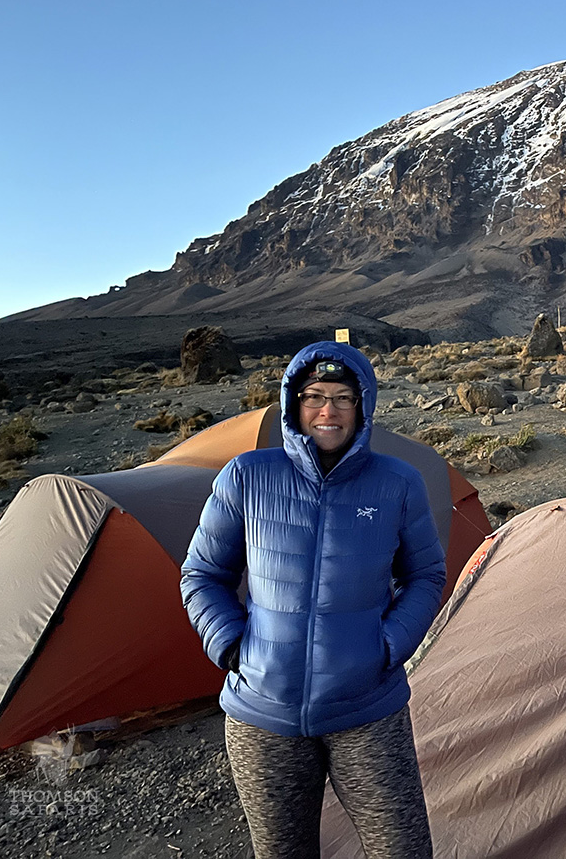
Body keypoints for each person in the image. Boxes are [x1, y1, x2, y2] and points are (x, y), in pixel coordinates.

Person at [180, 340, 446, 859]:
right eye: (314, 396)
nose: (328, 411)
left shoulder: (397, 483)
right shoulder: (248, 476)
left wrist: (387, 648)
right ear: (293, 403)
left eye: (344, 397)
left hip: (367, 708)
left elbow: (426, 575)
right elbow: (203, 573)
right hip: (264, 716)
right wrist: (233, 648)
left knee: (403, 848)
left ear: (363, 405)